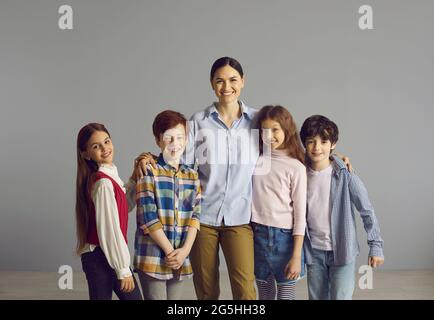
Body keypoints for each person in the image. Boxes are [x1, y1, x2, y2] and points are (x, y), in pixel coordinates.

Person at [134, 56, 353, 300]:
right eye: (219, 81)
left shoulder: (258, 121)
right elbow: (178, 159)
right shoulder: (198, 121)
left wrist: (333, 158)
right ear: (211, 84)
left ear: (243, 82)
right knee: (206, 289)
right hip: (203, 217)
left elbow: (285, 147)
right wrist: (148, 157)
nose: (226, 87)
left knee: (246, 290)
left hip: (241, 217)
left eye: (233, 80)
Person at [299, 115, 385, 300]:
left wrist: (376, 246)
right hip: (313, 251)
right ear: (304, 144)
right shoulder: (299, 174)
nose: (317, 147)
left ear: (333, 144)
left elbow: (367, 211)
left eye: (324, 141)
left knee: (340, 297)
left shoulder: (346, 176)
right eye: (311, 141)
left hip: (343, 251)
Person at [134, 110, 201, 300]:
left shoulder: (192, 176)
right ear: (158, 140)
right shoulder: (149, 171)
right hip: (154, 255)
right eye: (168, 138)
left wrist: (184, 251)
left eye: (180, 137)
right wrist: (171, 253)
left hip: (180, 256)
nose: (175, 144)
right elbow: (148, 218)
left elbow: (195, 216)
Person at [75, 123, 142, 300]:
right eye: (96, 146)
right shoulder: (103, 183)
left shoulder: (109, 175)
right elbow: (110, 230)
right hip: (100, 257)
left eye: (107, 142)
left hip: (108, 255)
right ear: (85, 154)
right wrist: (122, 268)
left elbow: (122, 207)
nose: (105, 148)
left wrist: (134, 178)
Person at [251, 105, 307, 300]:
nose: (269, 136)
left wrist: (296, 256)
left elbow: (300, 215)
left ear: (286, 129)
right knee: (265, 295)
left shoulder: (296, 167)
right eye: (264, 130)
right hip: (256, 235)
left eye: (275, 129)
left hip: (285, 239)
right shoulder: (254, 161)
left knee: (286, 296)